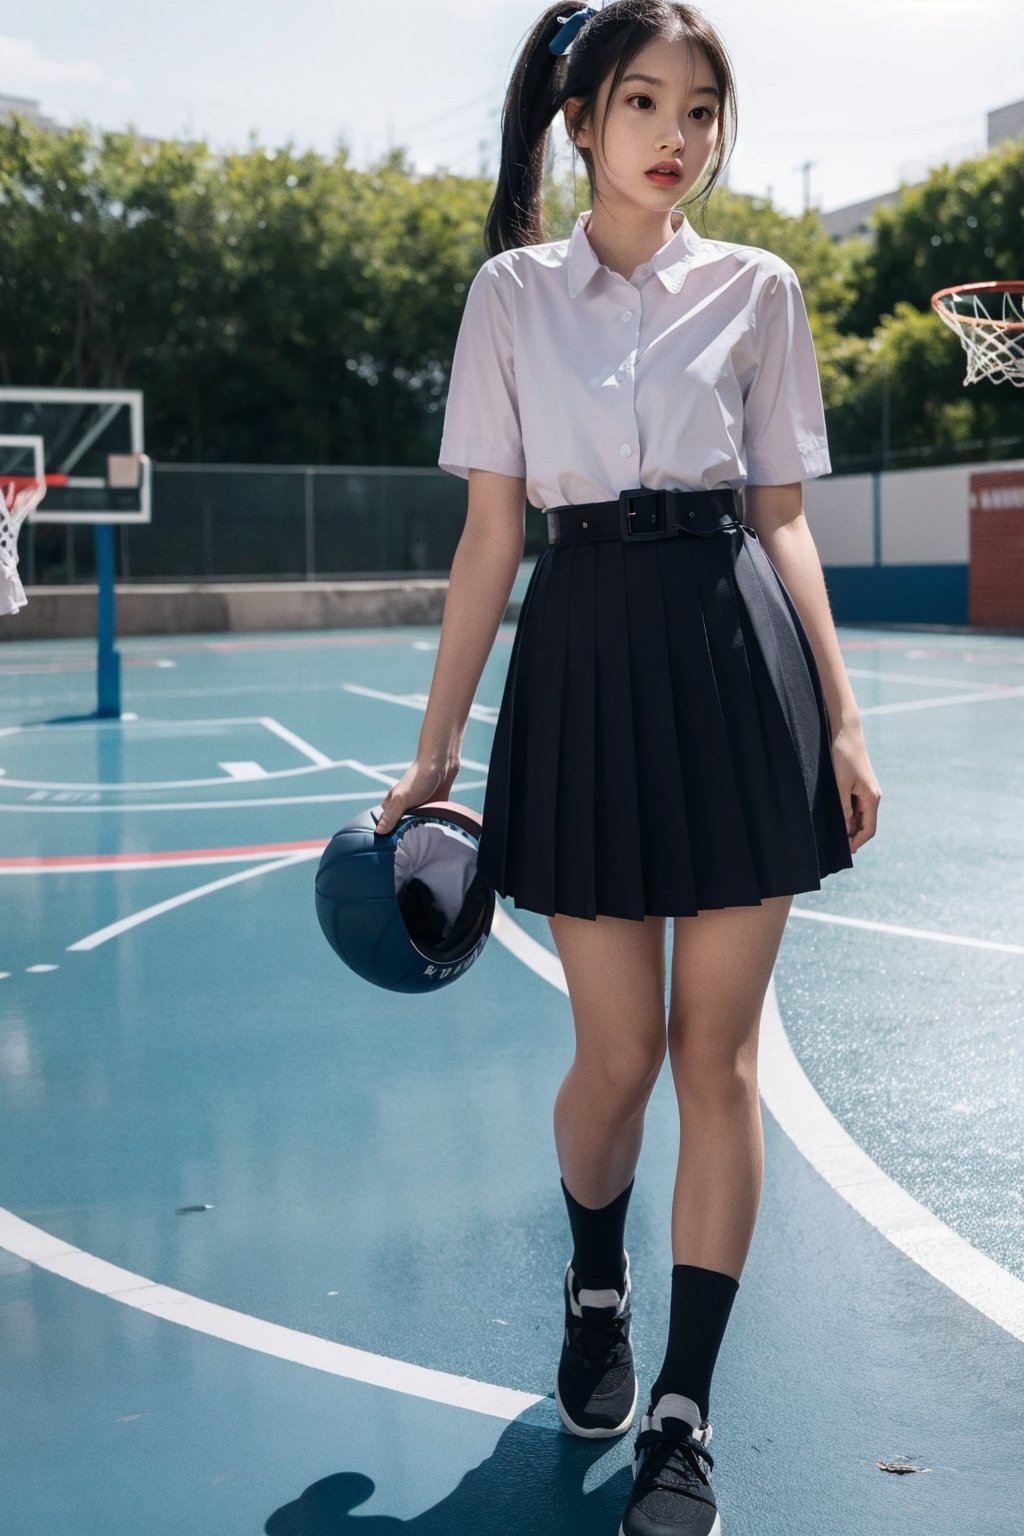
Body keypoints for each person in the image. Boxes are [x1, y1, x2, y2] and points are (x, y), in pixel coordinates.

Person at [373, 3, 882, 1532]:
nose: (679, 136)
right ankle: (596, 1283)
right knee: (622, 1059)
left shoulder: (763, 289)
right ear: (581, 120)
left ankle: (684, 1407)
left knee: (719, 1059)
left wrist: (843, 717)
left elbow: (782, 514)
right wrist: (437, 744)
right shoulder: (512, 296)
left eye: (704, 110)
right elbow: (490, 536)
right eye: (647, 103)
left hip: (739, 660)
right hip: (584, 656)